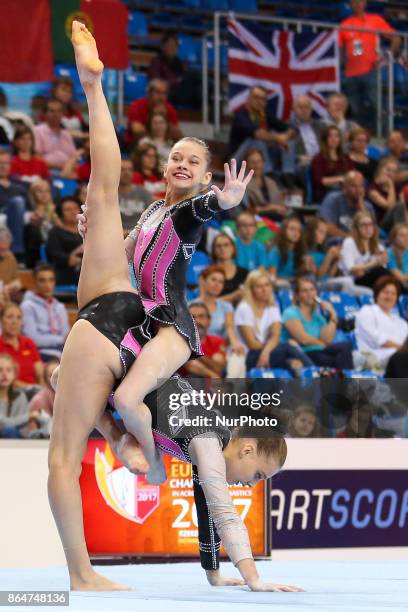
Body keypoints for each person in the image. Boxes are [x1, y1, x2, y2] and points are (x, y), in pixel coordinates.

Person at [48, 22, 301, 594]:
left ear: (206, 176)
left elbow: (197, 216)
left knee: (124, 398)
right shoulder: (152, 214)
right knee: (102, 192)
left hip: (172, 327)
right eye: (176, 157)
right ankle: (94, 85)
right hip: (132, 315)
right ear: (165, 168)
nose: (182, 163)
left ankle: (131, 452)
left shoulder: (188, 210)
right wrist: (96, 235)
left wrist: (223, 200)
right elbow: (130, 256)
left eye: (194, 160)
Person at [339, 0, 401, 131]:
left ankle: (385, 134)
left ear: (365, 3)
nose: (358, 4)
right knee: (354, 108)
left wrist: (386, 56)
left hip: (371, 71)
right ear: (350, 5)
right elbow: (338, 48)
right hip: (350, 73)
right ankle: (355, 136)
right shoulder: (345, 25)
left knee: (376, 105)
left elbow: (396, 38)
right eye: (354, 2)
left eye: (360, 2)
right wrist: (343, 62)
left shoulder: (375, 20)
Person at [235, 270, 312, 372]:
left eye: (267, 285)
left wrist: (266, 351)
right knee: (289, 347)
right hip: (247, 355)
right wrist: (267, 349)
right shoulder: (244, 308)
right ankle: (317, 373)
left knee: (294, 363)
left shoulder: (272, 307)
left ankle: (310, 376)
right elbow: (252, 343)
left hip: (265, 353)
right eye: (259, 286)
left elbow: (275, 336)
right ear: (251, 290)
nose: (264, 290)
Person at [281, 276, 354, 369]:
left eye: (312, 289)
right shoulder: (290, 312)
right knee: (337, 357)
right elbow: (304, 340)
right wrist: (322, 344)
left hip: (319, 351)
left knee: (344, 349)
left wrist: (333, 314)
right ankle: (347, 382)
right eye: (304, 291)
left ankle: (344, 382)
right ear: (297, 295)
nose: (310, 294)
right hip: (303, 353)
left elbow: (327, 339)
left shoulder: (318, 317)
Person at [229, 86, 295, 173]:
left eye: (263, 99)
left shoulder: (265, 115)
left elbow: (291, 129)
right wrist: (279, 139)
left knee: (289, 142)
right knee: (256, 141)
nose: (259, 101)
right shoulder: (241, 115)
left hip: (261, 159)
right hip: (238, 162)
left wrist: (286, 137)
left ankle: (288, 173)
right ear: (248, 99)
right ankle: (267, 173)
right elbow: (258, 134)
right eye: (256, 97)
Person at [355, 276, 408, 370]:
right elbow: (376, 339)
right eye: (385, 292)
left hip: (398, 358)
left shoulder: (402, 322)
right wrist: (401, 349)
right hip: (371, 358)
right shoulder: (367, 311)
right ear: (377, 294)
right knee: (399, 357)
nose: (389, 296)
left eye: (393, 294)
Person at [21, 264, 70, 361]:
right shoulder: (27, 306)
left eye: (51, 280)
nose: (47, 285)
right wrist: (61, 340)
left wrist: (64, 341)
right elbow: (33, 339)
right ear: (34, 283)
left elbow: (66, 335)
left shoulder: (60, 307)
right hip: (39, 351)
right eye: (42, 280)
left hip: (62, 349)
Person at [195, 265, 245, 354]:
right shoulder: (191, 306)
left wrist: (235, 343)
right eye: (213, 280)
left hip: (218, 350)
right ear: (203, 281)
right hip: (196, 349)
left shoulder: (226, 306)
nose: (217, 284)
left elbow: (230, 328)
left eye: (221, 282)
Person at [339, 210, 389, 292]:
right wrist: (373, 263)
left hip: (372, 278)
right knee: (380, 273)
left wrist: (364, 268)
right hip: (353, 280)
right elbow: (351, 268)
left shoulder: (379, 246)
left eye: (370, 224)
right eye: (363, 225)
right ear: (356, 228)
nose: (368, 228)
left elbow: (383, 267)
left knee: (388, 278)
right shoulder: (349, 242)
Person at [126, 78, 183, 147]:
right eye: (158, 92)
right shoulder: (137, 106)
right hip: (136, 146)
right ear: (149, 93)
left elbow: (178, 134)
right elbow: (137, 131)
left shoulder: (169, 108)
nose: (161, 96)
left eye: (164, 93)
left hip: (162, 145)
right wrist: (152, 116)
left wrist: (165, 118)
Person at [320, 170, 374, 239]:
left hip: (360, 244)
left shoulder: (367, 207)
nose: (358, 190)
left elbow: (371, 232)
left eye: (361, 186)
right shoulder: (333, 199)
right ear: (344, 188)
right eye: (353, 186)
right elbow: (327, 227)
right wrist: (351, 238)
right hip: (337, 241)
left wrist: (361, 207)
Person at [0, 303, 44, 387]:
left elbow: (40, 375)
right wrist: (30, 388)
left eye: (18, 318)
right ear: (1, 320)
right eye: (9, 317)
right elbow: (4, 378)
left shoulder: (28, 342)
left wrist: (43, 393)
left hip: (34, 392)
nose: (14, 322)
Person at [311, 125, 355, 202]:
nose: (334, 139)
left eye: (337, 136)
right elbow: (319, 181)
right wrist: (339, 179)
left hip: (345, 189)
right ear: (325, 139)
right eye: (330, 136)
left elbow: (353, 174)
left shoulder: (345, 158)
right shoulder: (318, 158)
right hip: (326, 192)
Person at [46, 197, 83, 285]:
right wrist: (75, 254)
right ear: (61, 213)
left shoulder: (86, 230)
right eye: (68, 209)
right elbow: (55, 256)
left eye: (75, 208)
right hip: (64, 271)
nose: (73, 212)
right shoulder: (55, 232)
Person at [184, 302, 227, 378]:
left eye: (201, 316)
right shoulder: (181, 340)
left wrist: (195, 352)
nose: (197, 321)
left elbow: (219, 367)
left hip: (209, 384)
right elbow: (190, 365)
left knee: (218, 358)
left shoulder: (217, 341)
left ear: (209, 320)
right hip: (184, 383)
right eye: (193, 317)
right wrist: (212, 375)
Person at [33, 98, 77, 170]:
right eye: (52, 111)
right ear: (45, 113)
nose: (56, 114)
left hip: (67, 173)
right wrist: (59, 167)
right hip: (47, 172)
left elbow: (74, 157)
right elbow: (36, 158)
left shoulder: (66, 134)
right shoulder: (37, 131)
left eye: (59, 111)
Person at [25, 179, 59, 268]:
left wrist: (52, 216)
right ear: (33, 194)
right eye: (39, 191)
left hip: (52, 242)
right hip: (36, 243)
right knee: (33, 229)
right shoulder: (28, 210)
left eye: (47, 191)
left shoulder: (56, 211)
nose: (44, 194)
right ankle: (33, 264)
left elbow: (59, 229)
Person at [244, 148, 286, 220]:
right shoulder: (243, 183)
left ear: (263, 163)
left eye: (259, 161)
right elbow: (249, 210)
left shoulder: (271, 182)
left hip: (276, 216)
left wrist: (280, 209)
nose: (257, 166)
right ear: (246, 164)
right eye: (253, 162)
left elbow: (281, 206)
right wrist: (270, 208)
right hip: (256, 218)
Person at [0, 149, 28, 256]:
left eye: (6, 163)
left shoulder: (19, 187)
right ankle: (16, 252)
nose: (3, 166)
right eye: (0, 163)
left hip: (19, 217)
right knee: (18, 202)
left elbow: (29, 210)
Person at [367, 157, 407, 232]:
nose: (390, 174)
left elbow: (404, 210)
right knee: (398, 206)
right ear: (380, 169)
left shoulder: (398, 187)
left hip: (399, 223)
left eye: (394, 172)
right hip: (381, 225)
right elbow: (390, 207)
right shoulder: (372, 188)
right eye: (388, 170)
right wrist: (391, 185)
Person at [268, 216, 306, 286]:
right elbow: (272, 277)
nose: (296, 233)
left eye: (299, 230)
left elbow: (298, 276)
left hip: (294, 283)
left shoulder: (299, 251)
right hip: (280, 285)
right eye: (292, 229)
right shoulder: (276, 251)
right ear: (283, 231)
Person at [304, 217, 342, 286]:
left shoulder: (322, 251)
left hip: (327, 283)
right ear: (311, 231)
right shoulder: (306, 252)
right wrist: (329, 256)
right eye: (321, 232)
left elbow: (329, 275)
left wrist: (338, 260)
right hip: (316, 284)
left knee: (348, 280)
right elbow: (318, 276)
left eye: (325, 233)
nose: (323, 236)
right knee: (346, 283)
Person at [211, 232, 248, 304]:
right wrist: (234, 296)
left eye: (226, 245)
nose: (222, 249)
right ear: (214, 250)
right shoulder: (208, 274)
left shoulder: (244, 273)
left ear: (233, 248)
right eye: (218, 246)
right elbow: (208, 303)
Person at [0, 353, 30, 438]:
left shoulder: (20, 396)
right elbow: (2, 423)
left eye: (9, 370)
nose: (4, 374)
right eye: (0, 370)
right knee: (8, 430)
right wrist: (30, 416)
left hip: (17, 443)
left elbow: (24, 430)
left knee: (10, 431)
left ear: (14, 374)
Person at [27, 357, 59, 437]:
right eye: (50, 375)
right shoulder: (39, 400)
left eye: (58, 375)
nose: (55, 379)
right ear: (45, 379)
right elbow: (32, 433)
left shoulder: (73, 398)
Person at [118, 158, 152, 231]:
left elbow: (150, 219)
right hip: (116, 235)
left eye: (130, 170)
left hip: (139, 235)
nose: (126, 173)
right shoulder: (110, 194)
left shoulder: (144, 193)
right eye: (122, 169)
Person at [51, 76, 88, 141]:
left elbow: (86, 129)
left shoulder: (75, 112)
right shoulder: (48, 112)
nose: (66, 94)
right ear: (55, 91)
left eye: (69, 91)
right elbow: (54, 131)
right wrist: (82, 135)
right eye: (63, 90)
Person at [0, 225, 22, 302]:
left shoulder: (10, 257)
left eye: (6, 249)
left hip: (7, 296)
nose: (2, 253)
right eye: (0, 249)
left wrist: (11, 286)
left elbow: (17, 281)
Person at [387, 222, 408, 289]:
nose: (406, 238)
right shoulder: (389, 254)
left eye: (407, 235)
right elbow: (400, 278)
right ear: (394, 238)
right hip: (399, 286)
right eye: (402, 235)